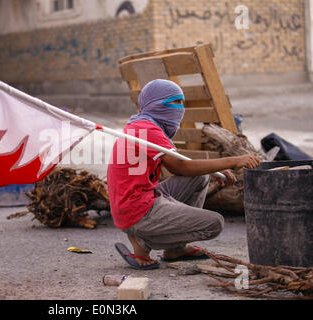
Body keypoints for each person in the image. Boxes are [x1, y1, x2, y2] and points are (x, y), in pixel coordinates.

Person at [107, 79, 261, 270]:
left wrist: (212, 169)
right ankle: (142, 242)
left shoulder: (142, 125)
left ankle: (175, 249)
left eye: (182, 103)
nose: (180, 108)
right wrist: (234, 160)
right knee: (214, 224)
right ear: (155, 104)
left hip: (142, 197)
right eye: (174, 102)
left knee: (201, 177)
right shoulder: (146, 129)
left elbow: (182, 163)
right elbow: (180, 167)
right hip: (137, 208)